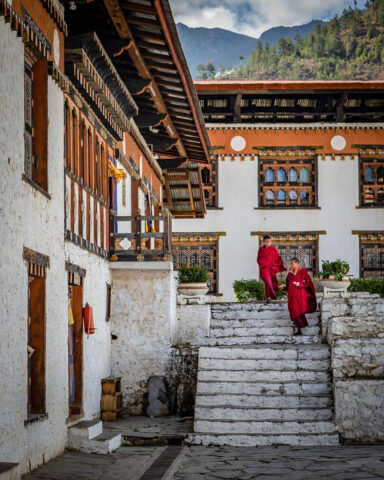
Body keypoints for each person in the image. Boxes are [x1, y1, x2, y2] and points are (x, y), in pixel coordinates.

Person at [281, 257, 317, 336]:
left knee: (298, 311)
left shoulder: (303, 272)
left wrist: (300, 284)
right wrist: (284, 287)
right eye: (290, 263)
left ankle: (299, 329)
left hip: (300, 296)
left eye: (292, 263)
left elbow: (308, 283)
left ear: (297, 263)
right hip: (292, 297)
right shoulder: (290, 274)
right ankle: (298, 328)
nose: (291, 265)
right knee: (293, 311)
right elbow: (288, 285)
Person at [257, 235, 285, 300]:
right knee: (267, 281)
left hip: (271, 269)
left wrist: (276, 265)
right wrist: (265, 265)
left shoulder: (273, 249)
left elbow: (277, 258)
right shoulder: (261, 250)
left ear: (271, 242)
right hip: (264, 269)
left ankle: (269, 297)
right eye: (266, 242)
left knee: (269, 282)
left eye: (269, 242)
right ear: (263, 242)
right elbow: (259, 259)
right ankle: (272, 296)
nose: (267, 243)